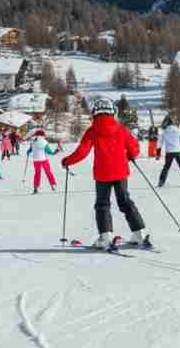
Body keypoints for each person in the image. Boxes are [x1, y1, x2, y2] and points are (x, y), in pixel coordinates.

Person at [62, 98, 151, 251]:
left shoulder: (92, 130)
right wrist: (131, 154)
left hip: (102, 173)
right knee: (125, 201)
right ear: (112, 112)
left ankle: (105, 237)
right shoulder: (120, 128)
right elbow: (134, 148)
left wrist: (68, 161)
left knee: (102, 204)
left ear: (95, 113)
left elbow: (82, 151)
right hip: (121, 171)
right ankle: (139, 233)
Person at [157, 116, 180, 188]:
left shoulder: (165, 131)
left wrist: (158, 154)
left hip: (169, 152)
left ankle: (161, 181)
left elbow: (159, 143)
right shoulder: (178, 130)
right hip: (178, 151)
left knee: (166, 167)